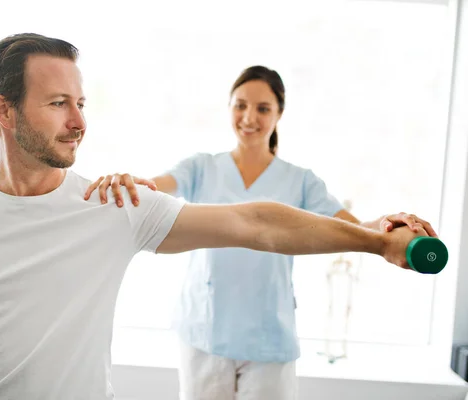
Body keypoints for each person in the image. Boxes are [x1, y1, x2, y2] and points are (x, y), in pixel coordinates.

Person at [0, 34, 432, 400]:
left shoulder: (110, 209)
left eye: (81, 103)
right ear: (4, 110)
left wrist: (372, 240)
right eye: (58, 104)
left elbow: (258, 223)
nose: (78, 121)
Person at [84, 65, 437, 400]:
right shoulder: (201, 167)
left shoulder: (301, 181)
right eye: (240, 106)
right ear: (229, 108)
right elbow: (153, 189)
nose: (249, 118)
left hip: (269, 340)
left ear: (279, 114)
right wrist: (126, 181)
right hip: (205, 333)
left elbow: (354, 228)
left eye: (262, 108)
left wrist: (390, 223)